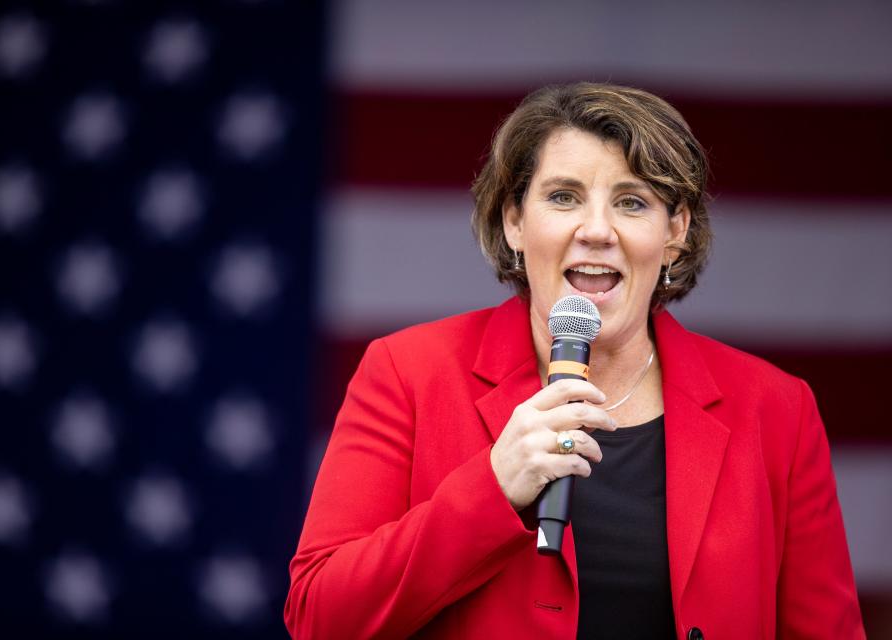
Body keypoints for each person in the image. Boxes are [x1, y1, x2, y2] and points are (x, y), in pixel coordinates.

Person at [285, 83, 864, 639]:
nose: (595, 230)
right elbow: (320, 615)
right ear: (514, 220)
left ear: (676, 232)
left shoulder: (775, 408)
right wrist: (492, 488)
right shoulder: (408, 373)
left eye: (632, 202)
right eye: (563, 197)